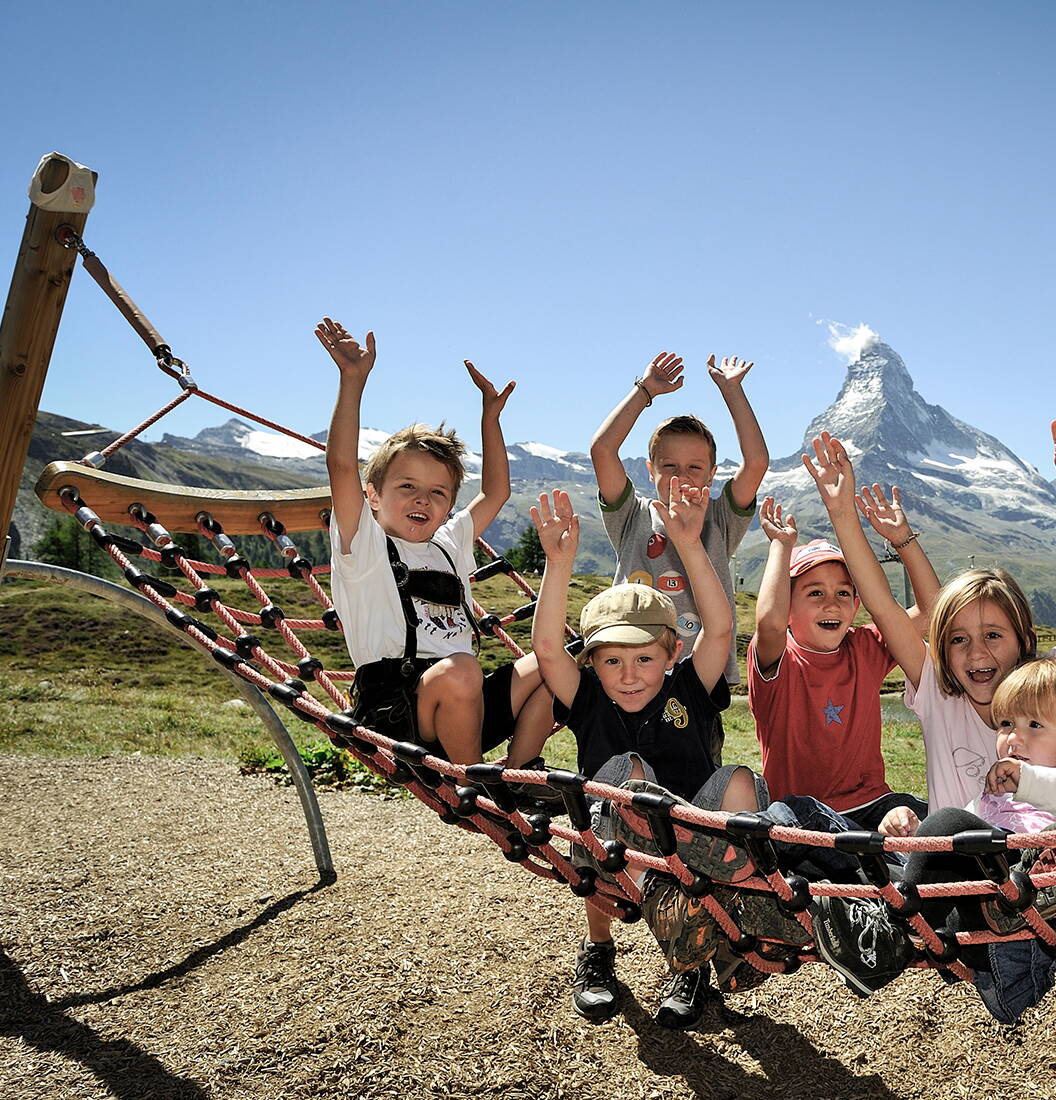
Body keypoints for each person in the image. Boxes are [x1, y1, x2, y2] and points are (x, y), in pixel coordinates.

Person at [800, 409, 1056, 821]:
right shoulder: (937, 689)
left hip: (1037, 868)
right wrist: (842, 513)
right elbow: (882, 606)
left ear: (1024, 640)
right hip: (955, 874)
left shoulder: (1049, 682)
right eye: (958, 639)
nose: (976, 654)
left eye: (993, 635)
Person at [529, 485, 767, 1029]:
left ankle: (703, 946)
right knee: (626, 777)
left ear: (672, 652)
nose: (629, 675)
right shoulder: (586, 697)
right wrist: (557, 562)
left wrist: (689, 544)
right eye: (612, 660)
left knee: (737, 781)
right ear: (591, 662)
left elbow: (722, 627)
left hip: (690, 847)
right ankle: (600, 954)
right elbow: (545, 649)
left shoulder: (690, 686)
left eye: (644, 658)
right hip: (612, 846)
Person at [806, 657, 1056, 1022]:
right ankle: (845, 911)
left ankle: (883, 941)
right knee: (862, 846)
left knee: (953, 824)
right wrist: (915, 837)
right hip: (963, 920)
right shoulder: (996, 792)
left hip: (1018, 923)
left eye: (1035, 725)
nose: (1014, 737)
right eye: (1006, 723)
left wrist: (1031, 781)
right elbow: (945, 852)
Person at [316, 318, 550, 768]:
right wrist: (352, 381)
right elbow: (341, 466)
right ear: (373, 497)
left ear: (448, 506)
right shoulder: (363, 546)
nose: (423, 499)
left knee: (552, 665)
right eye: (406, 487)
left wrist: (491, 418)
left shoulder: (449, 544)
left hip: (465, 703)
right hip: (396, 711)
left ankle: (518, 772)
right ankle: (473, 785)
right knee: (462, 669)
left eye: (438, 493)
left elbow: (496, 491)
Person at [747, 494, 939, 875]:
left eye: (844, 593)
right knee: (792, 820)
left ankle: (888, 866)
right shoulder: (777, 659)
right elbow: (767, 622)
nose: (831, 604)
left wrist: (903, 539)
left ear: (857, 605)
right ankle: (887, 869)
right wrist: (780, 546)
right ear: (788, 607)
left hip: (874, 806)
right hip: (807, 816)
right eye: (814, 592)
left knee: (941, 822)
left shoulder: (865, 646)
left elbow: (934, 609)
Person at [589, 352, 769, 685]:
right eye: (669, 466)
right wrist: (644, 391)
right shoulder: (632, 515)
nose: (681, 477)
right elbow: (602, 450)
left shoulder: (720, 517)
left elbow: (756, 462)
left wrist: (732, 392)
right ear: (649, 471)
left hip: (702, 672)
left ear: (712, 475)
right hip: (630, 668)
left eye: (695, 468)